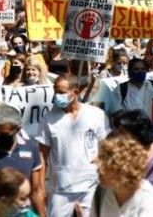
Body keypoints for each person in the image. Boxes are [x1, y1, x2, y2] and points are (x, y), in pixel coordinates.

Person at [37, 75, 109, 217]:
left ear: (75, 92)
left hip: (90, 187)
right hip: (60, 189)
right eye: (55, 91)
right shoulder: (48, 119)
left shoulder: (96, 114)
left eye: (61, 92)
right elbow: (42, 156)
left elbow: (106, 147)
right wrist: (40, 188)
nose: (57, 96)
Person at [90, 134, 153, 216]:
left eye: (106, 165)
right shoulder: (101, 193)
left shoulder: (151, 198)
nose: (99, 169)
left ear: (123, 171)